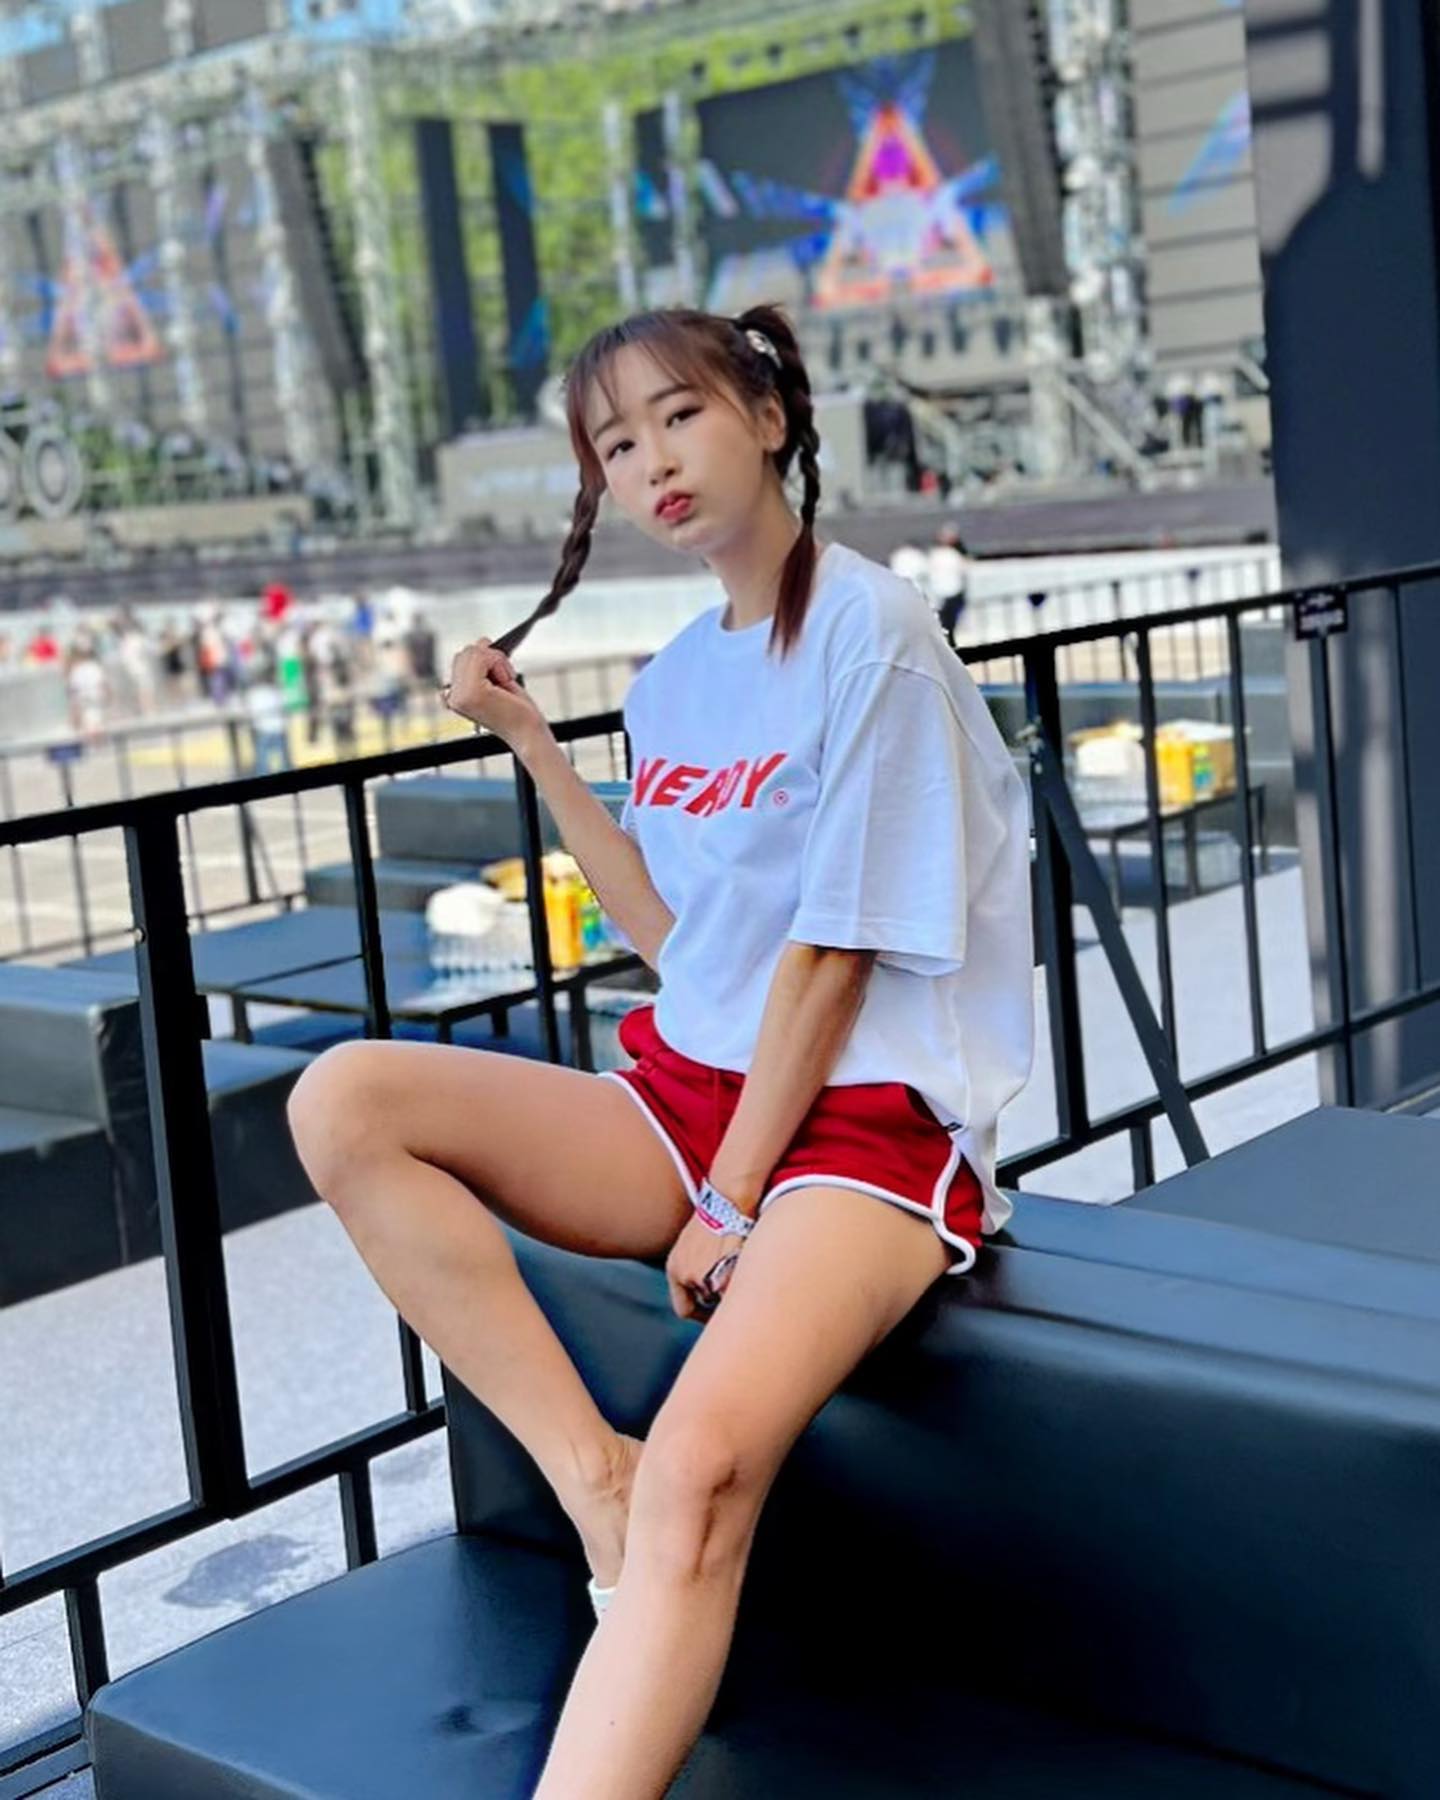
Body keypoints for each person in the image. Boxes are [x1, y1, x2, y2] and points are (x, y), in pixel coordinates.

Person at [285, 302, 1036, 1800]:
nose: (653, 463)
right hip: (695, 1091)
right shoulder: (675, 678)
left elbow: (834, 958)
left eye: (679, 416)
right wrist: (536, 747)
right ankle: (592, 1478)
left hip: (864, 1126)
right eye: (617, 446)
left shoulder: (874, 631)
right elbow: (672, 931)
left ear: (767, 416)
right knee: (346, 1099)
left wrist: (731, 1199)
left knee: (706, 1467)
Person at [928, 524, 972, 647]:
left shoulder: (941, 554)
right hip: (948, 591)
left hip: (947, 591)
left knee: (947, 621)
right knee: (947, 621)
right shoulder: (946, 554)